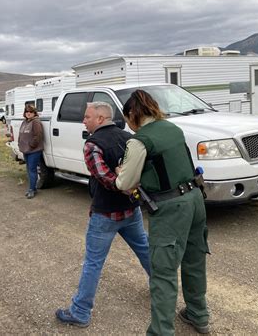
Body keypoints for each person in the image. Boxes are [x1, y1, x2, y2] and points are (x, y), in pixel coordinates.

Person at [115, 90, 210, 335]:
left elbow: (125, 184)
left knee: (163, 273)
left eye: (127, 119)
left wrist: (120, 172)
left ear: (133, 114)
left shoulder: (139, 140)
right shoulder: (172, 128)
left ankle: (160, 331)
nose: (129, 125)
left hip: (171, 209)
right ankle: (198, 315)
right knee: (194, 260)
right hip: (195, 198)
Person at [56, 102, 151, 327]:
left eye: (87, 117)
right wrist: (130, 185)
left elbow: (105, 178)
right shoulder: (129, 138)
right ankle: (160, 286)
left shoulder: (92, 145)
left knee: (93, 262)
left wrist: (122, 183)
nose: (83, 121)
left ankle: (80, 312)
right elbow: (138, 170)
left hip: (106, 215)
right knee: (145, 249)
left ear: (100, 118)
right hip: (131, 209)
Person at [18, 104, 44, 199]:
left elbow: (38, 136)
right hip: (26, 150)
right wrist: (20, 143)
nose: (28, 113)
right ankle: (33, 188)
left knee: (32, 170)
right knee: (29, 170)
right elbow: (21, 134)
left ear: (34, 113)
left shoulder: (36, 122)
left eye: (31, 112)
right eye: (27, 112)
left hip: (34, 151)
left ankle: (32, 190)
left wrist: (31, 145)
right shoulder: (24, 122)